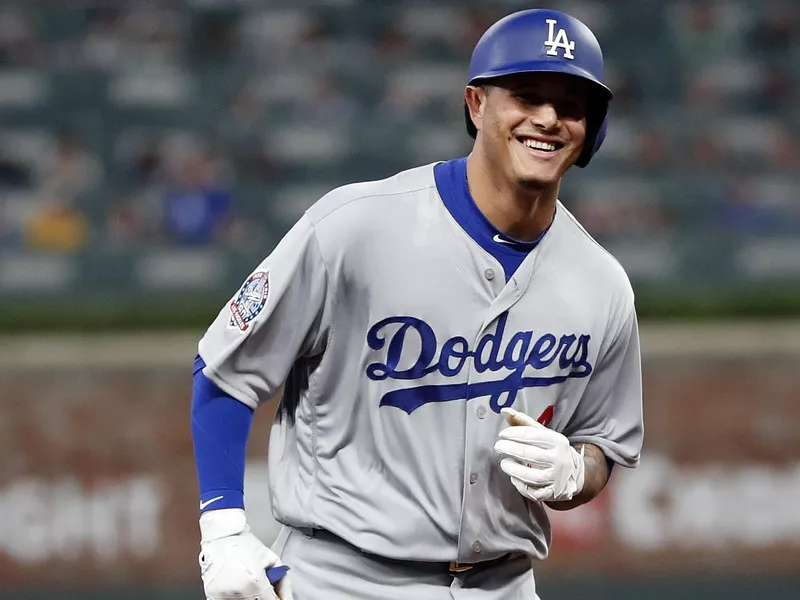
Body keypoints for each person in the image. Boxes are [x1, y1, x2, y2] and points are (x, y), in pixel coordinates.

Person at [191, 9, 643, 600]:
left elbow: (603, 446)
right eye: (526, 95)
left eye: (571, 104)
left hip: (505, 583)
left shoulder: (602, 283)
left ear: (593, 127)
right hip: (345, 578)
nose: (548, 119)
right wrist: (223, 527)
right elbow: (226, 370)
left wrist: (574, 473)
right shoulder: (355, 227)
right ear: (477, 105)